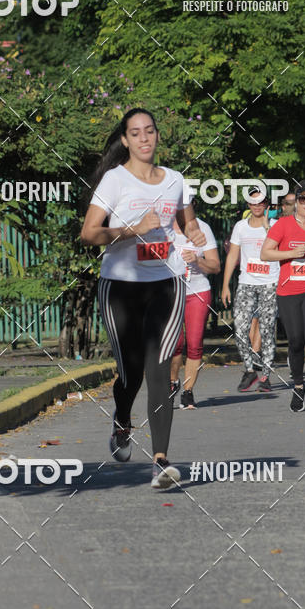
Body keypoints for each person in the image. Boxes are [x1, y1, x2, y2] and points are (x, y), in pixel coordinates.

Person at [80, 108, 206, 490]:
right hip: (120, 286)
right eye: (136, 133)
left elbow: (187, 221)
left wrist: (195, 232)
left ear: (156, 135)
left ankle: (161, 461)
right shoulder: (114, 181)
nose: (144, 139)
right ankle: (122, 420)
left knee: (159, 369)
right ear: (125, 140)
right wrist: (134, 230)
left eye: (149, 131)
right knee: (131, 371)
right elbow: (89, 234)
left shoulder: (175, 180)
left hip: (165, 283)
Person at [260, 181, 305, 411]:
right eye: (303, 199)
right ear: (297, 202)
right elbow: (265, 253)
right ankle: (299, 385)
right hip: (288, 291)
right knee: (296, 341)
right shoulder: (283, 225)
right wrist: (291, 253)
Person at [221, 189, 279, 393]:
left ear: (266, 205)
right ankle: (249, 369)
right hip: (246, 283)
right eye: (252, 202)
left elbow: (280, 249)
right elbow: (232, 256)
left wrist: (266, 228)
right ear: (248, 205)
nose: (256, 205)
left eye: (260, 202)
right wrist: (226, 284)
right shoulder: (240, 227)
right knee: (240, 329)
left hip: (270, 283)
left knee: (266, 330)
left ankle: (265, 376)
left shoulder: (275, 225)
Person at [169, 216, 220, 409]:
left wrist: (198, 260)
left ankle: (188, 392)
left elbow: (215, 266)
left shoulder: (203, 228)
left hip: (197, 292)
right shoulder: (162, 226)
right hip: (170, 293)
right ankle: (172, 382)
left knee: (194, 342)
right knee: (175, 343)